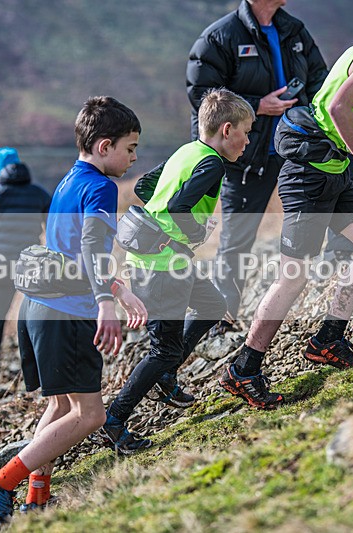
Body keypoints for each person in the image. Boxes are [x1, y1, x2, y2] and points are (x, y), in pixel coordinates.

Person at [220, 0, 353, 409]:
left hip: (332, 173)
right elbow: (337, 107)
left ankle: (328, 339)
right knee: (294, 277)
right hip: (309, 177)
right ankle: (245, 367)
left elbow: (341, 112)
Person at [0, 96, 148, 528]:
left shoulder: (70, 179)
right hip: (67, 314)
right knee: (91, 415)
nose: (134, 157)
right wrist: (106, 302)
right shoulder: (102, 186)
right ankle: (0, 481)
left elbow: (69, 251)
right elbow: (91, 247)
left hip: (38, 309)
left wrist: (117, 289)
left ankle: (37, 495)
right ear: (105, 146)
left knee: (63, 406)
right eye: (130, 147)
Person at [100, 89, 254, 449]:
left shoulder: (188, 151)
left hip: (160, 260)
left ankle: (166, 376)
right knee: (163, 350)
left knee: (213, 307)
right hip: (163, 265)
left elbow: (144, 186)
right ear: (227, 130)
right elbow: (178, 208)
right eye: (247, 131)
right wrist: (194, 232)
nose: (248, 140)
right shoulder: (212, 162)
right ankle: (114, 419)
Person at [186, 0, 329, 332]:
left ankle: (319, 303)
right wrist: (256, 106)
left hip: (296, 150)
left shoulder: (294, 30)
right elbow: (202, 96)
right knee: (237, 241)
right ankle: (221, 322)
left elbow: (319, 82)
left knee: (325, 220)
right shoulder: (219, 38)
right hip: (246, 158)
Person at [0, 147, 52, 386]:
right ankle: (42, 377)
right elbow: (55, 226)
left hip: (0, 267)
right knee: (37, 319)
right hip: (31, 266)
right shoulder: (39, 193)